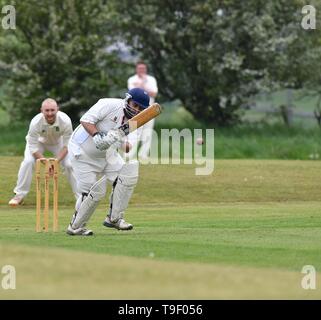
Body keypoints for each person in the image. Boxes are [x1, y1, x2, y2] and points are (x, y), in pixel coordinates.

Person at [66, 88, 150, 236]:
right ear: (127, 100)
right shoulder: (109, 104)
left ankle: (114, 218)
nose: (136, 110)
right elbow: (85, 120)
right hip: (82, 152)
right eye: (135, 105)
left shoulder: (137, 121)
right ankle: (75, 227)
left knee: (128, 174)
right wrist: (97, 135)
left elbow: (128, 147)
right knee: (94, 192)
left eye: (141, 108)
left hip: (107, 154)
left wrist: (116, 140)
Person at [8, 98, 78, 206]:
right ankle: (19, 195)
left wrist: (55, 162)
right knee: (28, 162)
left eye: (52, 110)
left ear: (57, 109)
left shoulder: (65, 121)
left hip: (58, 143)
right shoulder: (35, 122)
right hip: (39, 143)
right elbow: (33, 147)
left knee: (69, 164)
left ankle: (80, 197)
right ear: (41, 110)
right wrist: (47, 164)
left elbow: (67, 145)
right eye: (47, 110)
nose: (50, 113)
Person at [127, 61, 158, 160]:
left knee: (148, 132)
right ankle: (129, 154)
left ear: (146, 69)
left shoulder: (151, 79)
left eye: (143, 68)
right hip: (135, 109)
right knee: (133, 131)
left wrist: (141, 85)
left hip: (149, 109)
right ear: (136, 69)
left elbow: (153, 94)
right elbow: (134, 94)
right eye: (139, 68)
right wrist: (143, 85)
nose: (141, 70)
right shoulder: (132, 79)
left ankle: (143, 154)